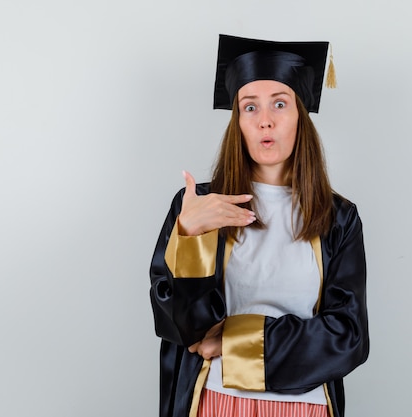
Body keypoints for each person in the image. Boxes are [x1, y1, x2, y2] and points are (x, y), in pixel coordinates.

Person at [149, 34, 369, 417]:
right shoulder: (199, 206)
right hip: (213, 400)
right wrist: (189, 237)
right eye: (250, 107)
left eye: (279, 104)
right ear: (238, 122)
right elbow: (182, 330)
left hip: (306, 407)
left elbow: (347, 337)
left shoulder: (338, 218)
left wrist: (235, 343)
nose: (265, 119)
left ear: (300, 114)